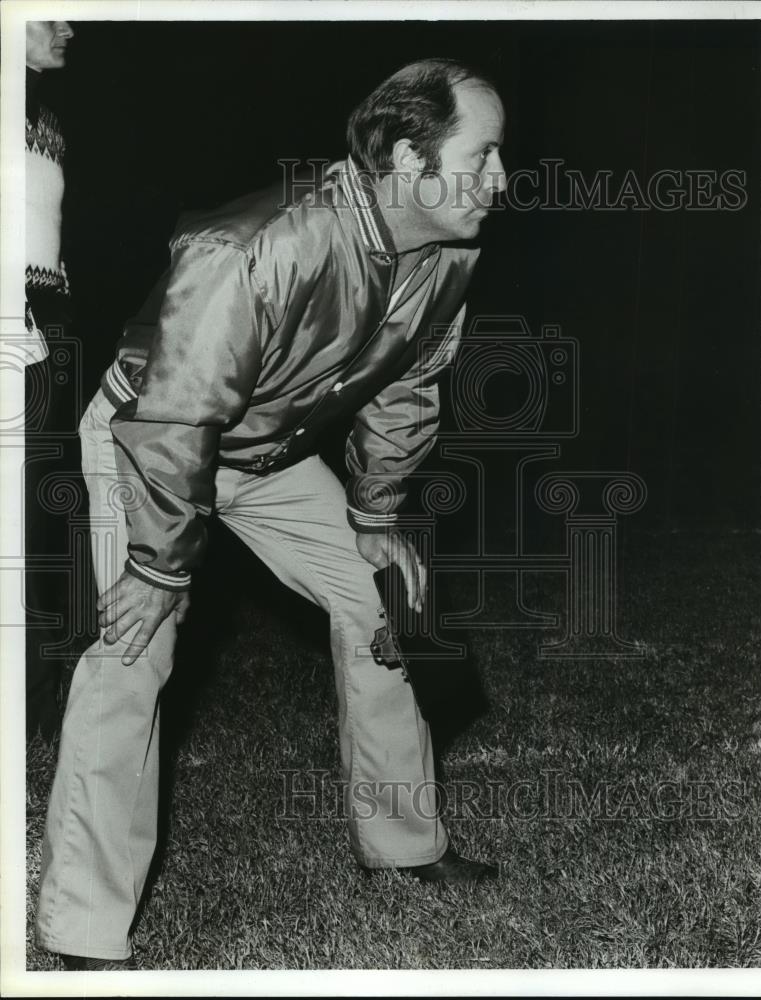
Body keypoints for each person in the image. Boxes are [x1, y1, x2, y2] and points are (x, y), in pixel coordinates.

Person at [36, 57, 507, 971]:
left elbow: (407, 383)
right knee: (134, 646)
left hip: (270, 454)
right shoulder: (257, 244)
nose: (500, 179)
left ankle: (405, 846)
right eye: (483, 155)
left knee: (382, 600)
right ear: (409, 159)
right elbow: (177, 415)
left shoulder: (449, 253)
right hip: (152, 437)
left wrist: (375, 511)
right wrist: (159, 567)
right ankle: (85, 931)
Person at [24, 20, 76, 740]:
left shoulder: (44, 118)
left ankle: (34, 700)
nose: (69, 27)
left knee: (31, 531)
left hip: (31, 341)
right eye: (52, 11)